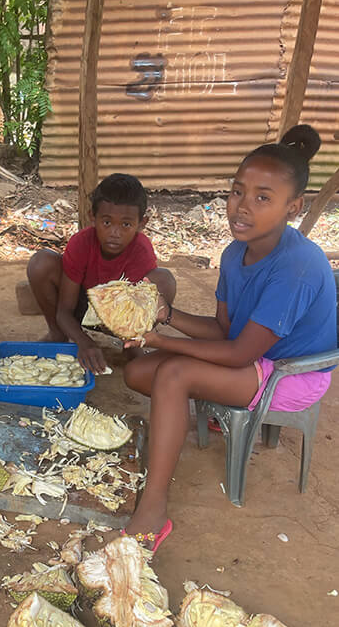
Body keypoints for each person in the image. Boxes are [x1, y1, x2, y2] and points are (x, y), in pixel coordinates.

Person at [122, 125, 337, 550]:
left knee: (172, 375)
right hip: (255, 357)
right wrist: (167, 316)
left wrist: (161, 340)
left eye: (263, 198)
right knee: (138, 372)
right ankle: (212, 412)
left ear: (292, 208)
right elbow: (224, 330)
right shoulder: (234, 253)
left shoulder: (296, 267)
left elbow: (239, 353)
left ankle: (154, 507)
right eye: (238, 192)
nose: (241, 207)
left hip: (290, 375)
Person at [26, 173, 176, 373]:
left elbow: (138, 304)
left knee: (164, 279)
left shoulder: (141, 250)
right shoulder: (81, 243)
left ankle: (131, 344)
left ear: (142, 223)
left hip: (120, 315)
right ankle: (57, 334)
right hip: (82, 308)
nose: (115, 232)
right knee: (40, 263)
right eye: (107, 222)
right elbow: (64, 311)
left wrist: (124, 327)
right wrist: (84, 342)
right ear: (92, 218)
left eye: (126, 224)